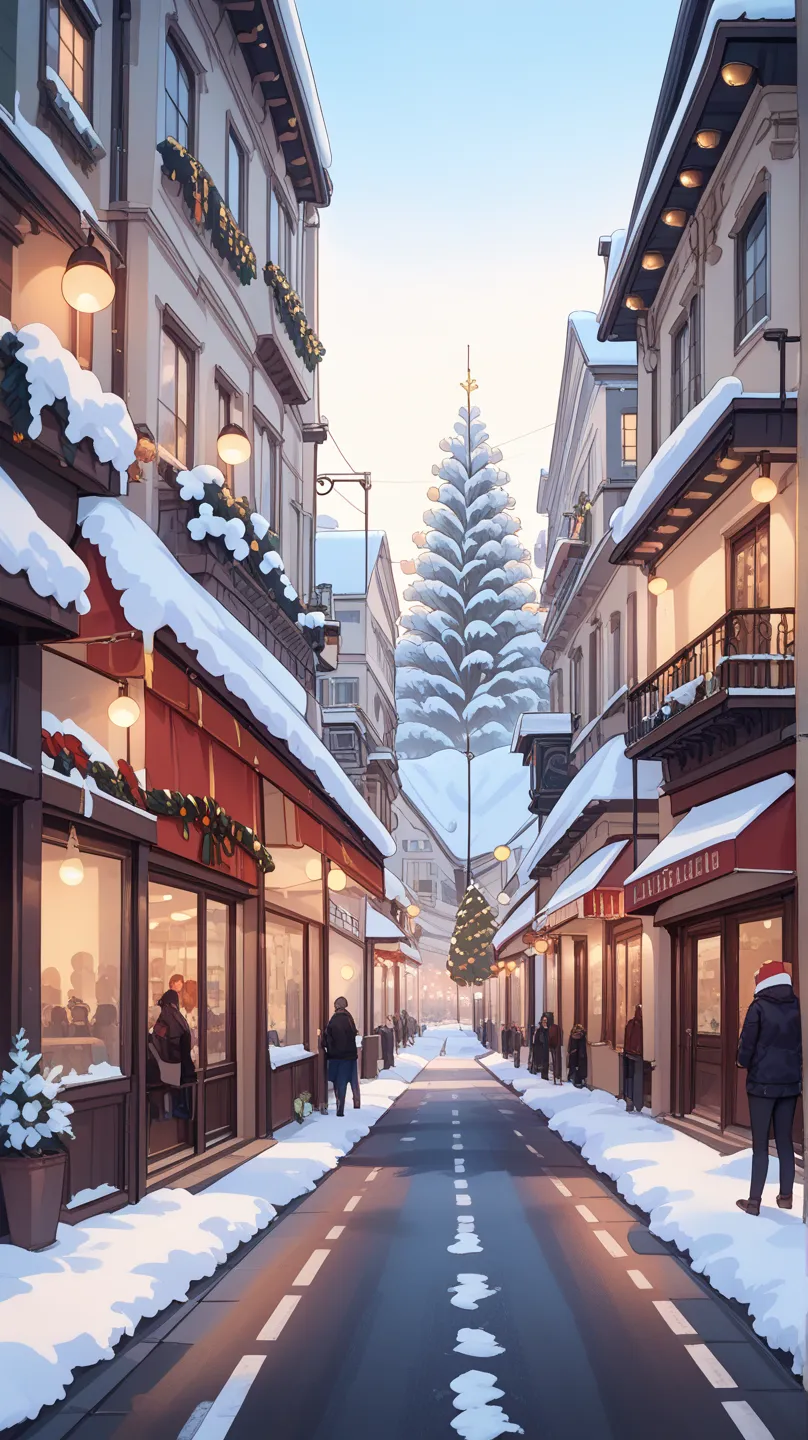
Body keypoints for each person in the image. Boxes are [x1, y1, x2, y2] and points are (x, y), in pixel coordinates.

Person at [735, 960, 802, 1216]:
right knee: (785, 1140)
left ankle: (753, 1203)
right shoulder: (798, 1005)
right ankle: (786, 1197)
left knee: (760, 1144)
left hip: (762, 1085)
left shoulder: (758, 1007)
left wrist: (741, 1061)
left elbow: (747, 1046)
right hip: (789, 1084)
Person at [148, 987, 197, 1118]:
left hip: (167, 1067)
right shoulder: (181, 1019)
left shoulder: (164, 1016)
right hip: (183, 1068)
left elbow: (157, 1039)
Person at [324, 996, 361, 1116]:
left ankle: (340, 1108)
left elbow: (329, 1038)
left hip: (337, 1057)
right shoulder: (349, 1018)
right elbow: (353, 1033)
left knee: (340, 1083)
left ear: (336, 1006)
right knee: (353, 1081)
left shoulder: (334, 1020)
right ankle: (357, 1102)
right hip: (351, 1055)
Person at [623, 1003, 644, 1113]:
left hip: (629, 1054)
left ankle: (630, 1100)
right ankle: (637, 1103)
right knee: (637, 1079)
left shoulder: (630, 1023)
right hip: (638, 1056)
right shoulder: (642, 1025)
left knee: (630, 1078)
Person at [530, 1013, 551, 1078]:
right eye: (543, 1021)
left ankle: (544, 1075)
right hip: (539, 1049)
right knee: (541, 1062)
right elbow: (537, 1040)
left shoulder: (548, 1029)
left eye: (546, 1021)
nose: (544, 1022)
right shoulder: (539, 1030)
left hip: (546, 1049)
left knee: (545, 1063)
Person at [567, 1023, 588, 1089]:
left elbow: (570, 1045)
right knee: (578, 1068)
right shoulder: (582, 1036)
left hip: (575, 1054)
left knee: (575, 1068)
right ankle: (578, 1081)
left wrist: (571, 1051)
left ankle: (575, 1080)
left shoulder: (573, 1035)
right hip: (578, 1055)